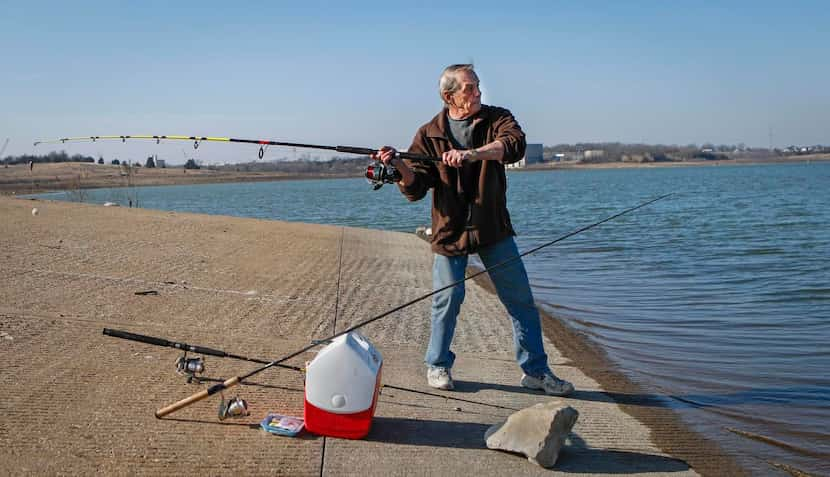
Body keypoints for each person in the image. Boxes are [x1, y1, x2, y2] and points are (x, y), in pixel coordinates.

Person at [371, 64, 574, 396]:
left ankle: (536, 371)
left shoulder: (496, 118)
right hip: (449, 231)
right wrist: (399, 166)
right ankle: (437, 365)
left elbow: (513, 145)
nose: (478, 92)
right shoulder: (428, 134)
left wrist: (471, 154)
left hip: (493, 227)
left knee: (520, 299)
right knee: (447, 299)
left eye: (478, 86)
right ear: (449, 96)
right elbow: (415, 188)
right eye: (470, 88)